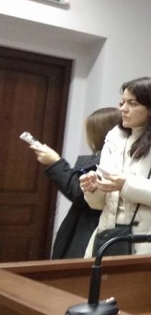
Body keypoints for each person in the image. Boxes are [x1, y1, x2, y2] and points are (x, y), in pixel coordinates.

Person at [79, 77, 151, 256]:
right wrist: (94, 189)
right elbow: (100, 205)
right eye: (122, 102)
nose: (123, 109)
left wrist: (126, 184)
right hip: (110, 237)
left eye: (132, 103)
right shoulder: (114, 140)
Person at [29, 107, 121, 259]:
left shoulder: (108, 161)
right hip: (84, 227)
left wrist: (55, 162)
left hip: (91, 230)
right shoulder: (102, 158)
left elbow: (79, 193)